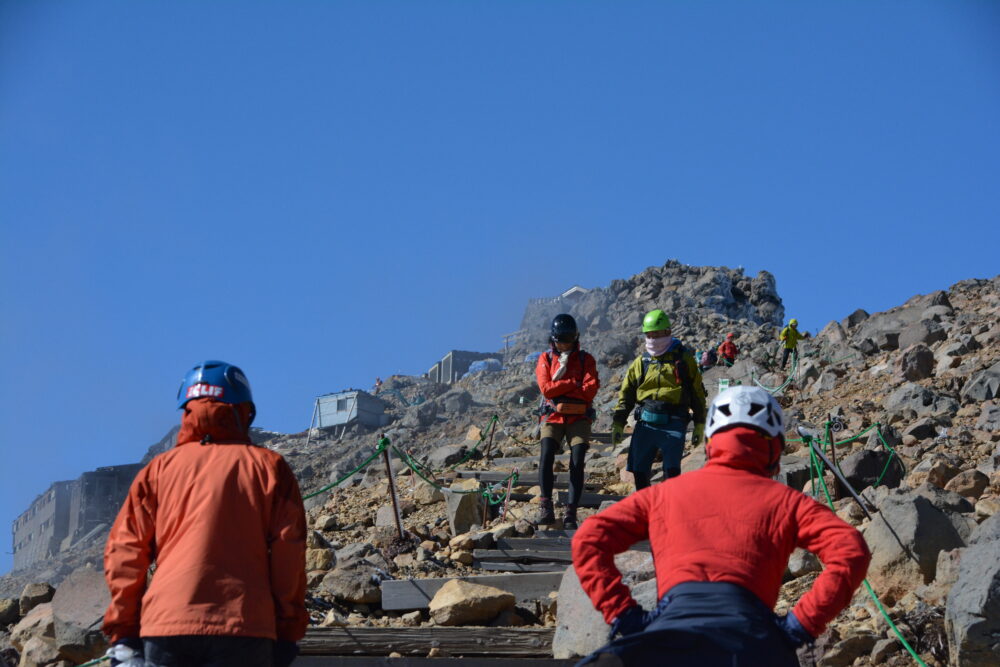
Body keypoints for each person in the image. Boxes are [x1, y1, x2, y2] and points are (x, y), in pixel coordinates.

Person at [571, 386, 871, 667]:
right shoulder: (788, 503)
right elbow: (850, 551)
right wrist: (800, 626)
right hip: (754, 643)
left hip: (669, 636)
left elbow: (590, 538)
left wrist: (626, 617)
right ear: (775, 449)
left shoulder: (664, 495)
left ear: (711, 444)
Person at [103, 361, 307, 667]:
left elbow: (124, 552)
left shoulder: (158, 470)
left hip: (167, 623)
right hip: (244, 626)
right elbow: (288, 551)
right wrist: (288, 630)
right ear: (244, 410)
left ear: (186, 409)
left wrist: (124, 631)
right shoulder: (270, 467)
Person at [611, 309, 706, 489]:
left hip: (674, 422)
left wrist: (699, 424)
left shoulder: (684, 360)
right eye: (649, 335)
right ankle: (645, 512)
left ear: (668, 332)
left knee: (672, 473)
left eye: (657, 334)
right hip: (646, 423)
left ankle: (670, 513)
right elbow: (627, 394)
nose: (653, 339)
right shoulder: (641, 362)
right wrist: (618, 422)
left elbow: (697, 393)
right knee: (639, 471)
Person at [535, 314, 600, 529]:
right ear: (552, 340)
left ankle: (571, 512)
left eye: (567, 341)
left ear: (575, 339)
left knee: (578, 460)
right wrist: (574, 383)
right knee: (546, 456)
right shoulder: (545, 358)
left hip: (579, 417)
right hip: (553, 415)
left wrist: (561, 387)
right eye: (559, 341)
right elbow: (545, 389)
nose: (563, 346)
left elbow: (590, 390)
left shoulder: (585, 359)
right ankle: (546, 505)